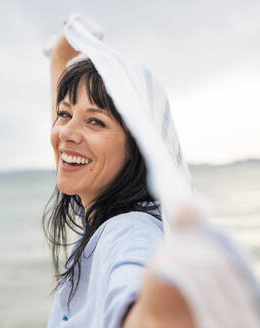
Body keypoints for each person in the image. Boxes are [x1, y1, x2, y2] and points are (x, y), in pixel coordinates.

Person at [43, 34, 197, 328]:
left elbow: (136, 290)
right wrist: (59, 59)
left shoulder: (128, 230)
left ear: (136, 151)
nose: (67, 133)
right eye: (65, 114)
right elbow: (70, 150)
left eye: (95, 121)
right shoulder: (96, 206)